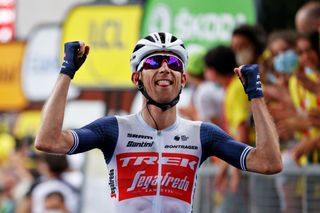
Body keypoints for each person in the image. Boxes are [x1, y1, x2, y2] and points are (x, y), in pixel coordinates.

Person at [35, 32, 282, 213]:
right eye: (153, 62)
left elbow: (269, 162)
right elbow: (48, 141)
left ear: (183, 79)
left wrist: (256, 97)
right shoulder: (114, 129)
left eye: (173, 63)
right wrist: (67, 72)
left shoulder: (202, 134)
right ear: (136, 78)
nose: (165, 68)